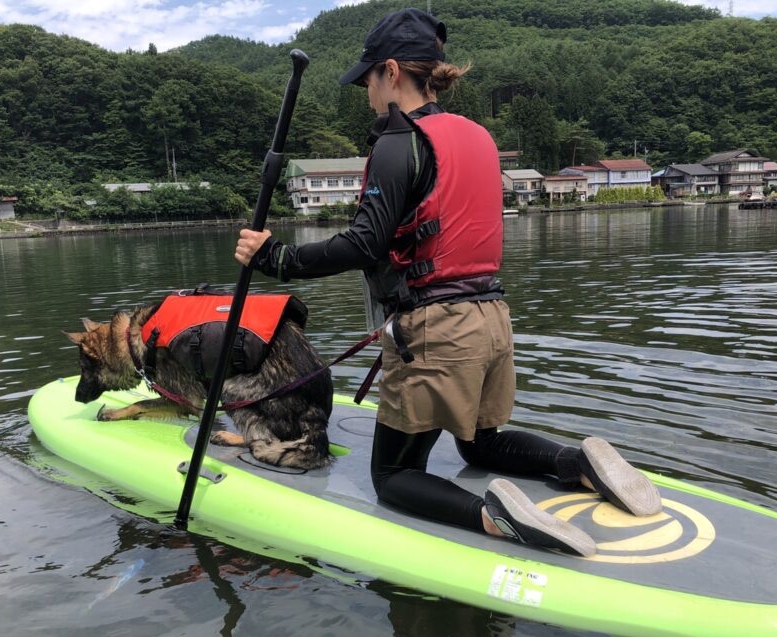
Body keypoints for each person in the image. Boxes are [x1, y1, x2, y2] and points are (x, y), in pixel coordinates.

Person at [235, 8, 660, 557]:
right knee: (479, 446)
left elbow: (364, 244)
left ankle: (495, 519)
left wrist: (278, 256)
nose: (365, 87)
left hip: (437, 330)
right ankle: (574, 463)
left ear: (392, 72)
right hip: (491, 320)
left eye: (368, 76)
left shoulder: (398, 141)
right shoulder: (476, 135)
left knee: (392, 476)